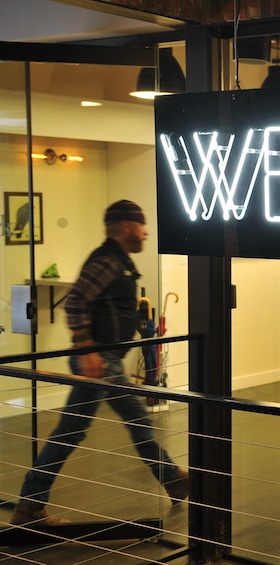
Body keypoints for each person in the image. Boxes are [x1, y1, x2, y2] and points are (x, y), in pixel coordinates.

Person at [11, 200, 189, 526]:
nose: (146, 232)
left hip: (108, 361)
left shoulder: (119, 261)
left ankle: (172, 478)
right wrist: (86, 348)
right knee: (71, 431)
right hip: (97, 362)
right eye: (142, 225)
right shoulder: (107, 261)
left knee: (135, 420)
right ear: (127, 227)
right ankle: (29, 506)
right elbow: (76, 301)